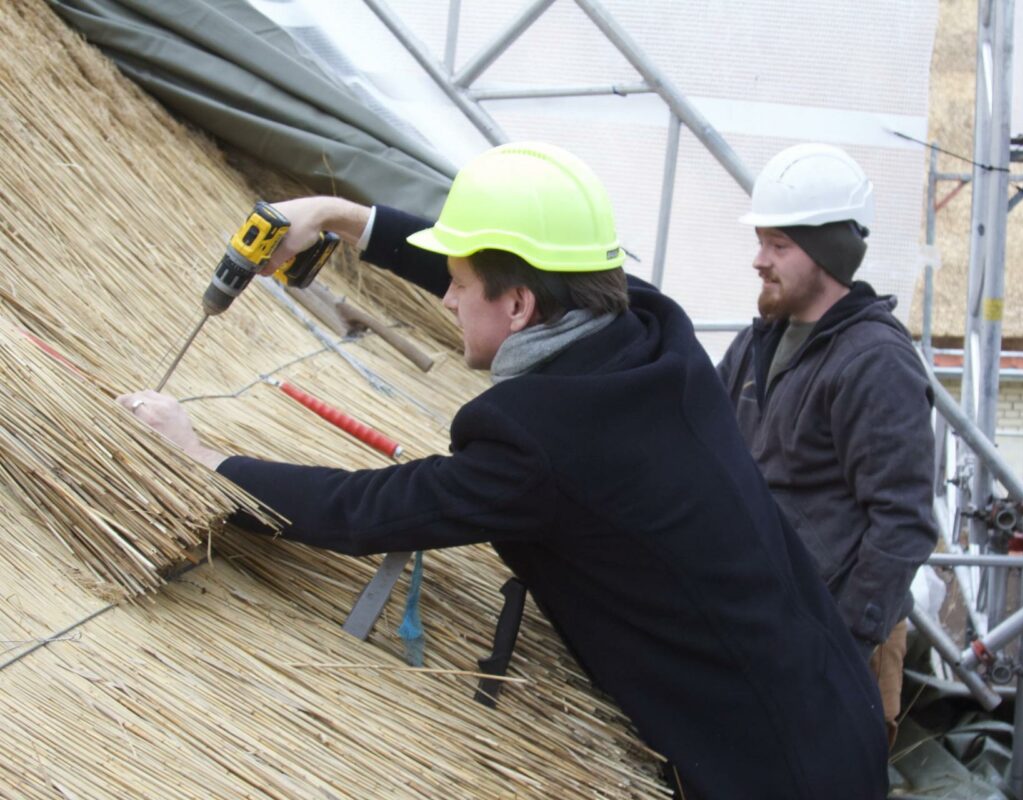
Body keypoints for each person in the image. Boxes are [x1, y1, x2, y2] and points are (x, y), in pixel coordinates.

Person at [120, 142, 887, 799]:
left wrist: (201, 458)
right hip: (836, 700)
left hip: (770, 768)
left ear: (519, 307)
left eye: (456, 282)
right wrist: (337, 217)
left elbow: (366, 510)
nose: (446, 298)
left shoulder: (537, 444)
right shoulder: (655, 331)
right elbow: (518, 271)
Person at [717, 143, 938, 748]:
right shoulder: (758, 343)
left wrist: (838, 645)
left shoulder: (876, 365)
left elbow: (905, 523)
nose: (759, 260)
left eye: (779, 245)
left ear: (828, 254)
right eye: (762, 240)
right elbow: (705, 445)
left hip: (836, 645)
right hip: (767, 624)